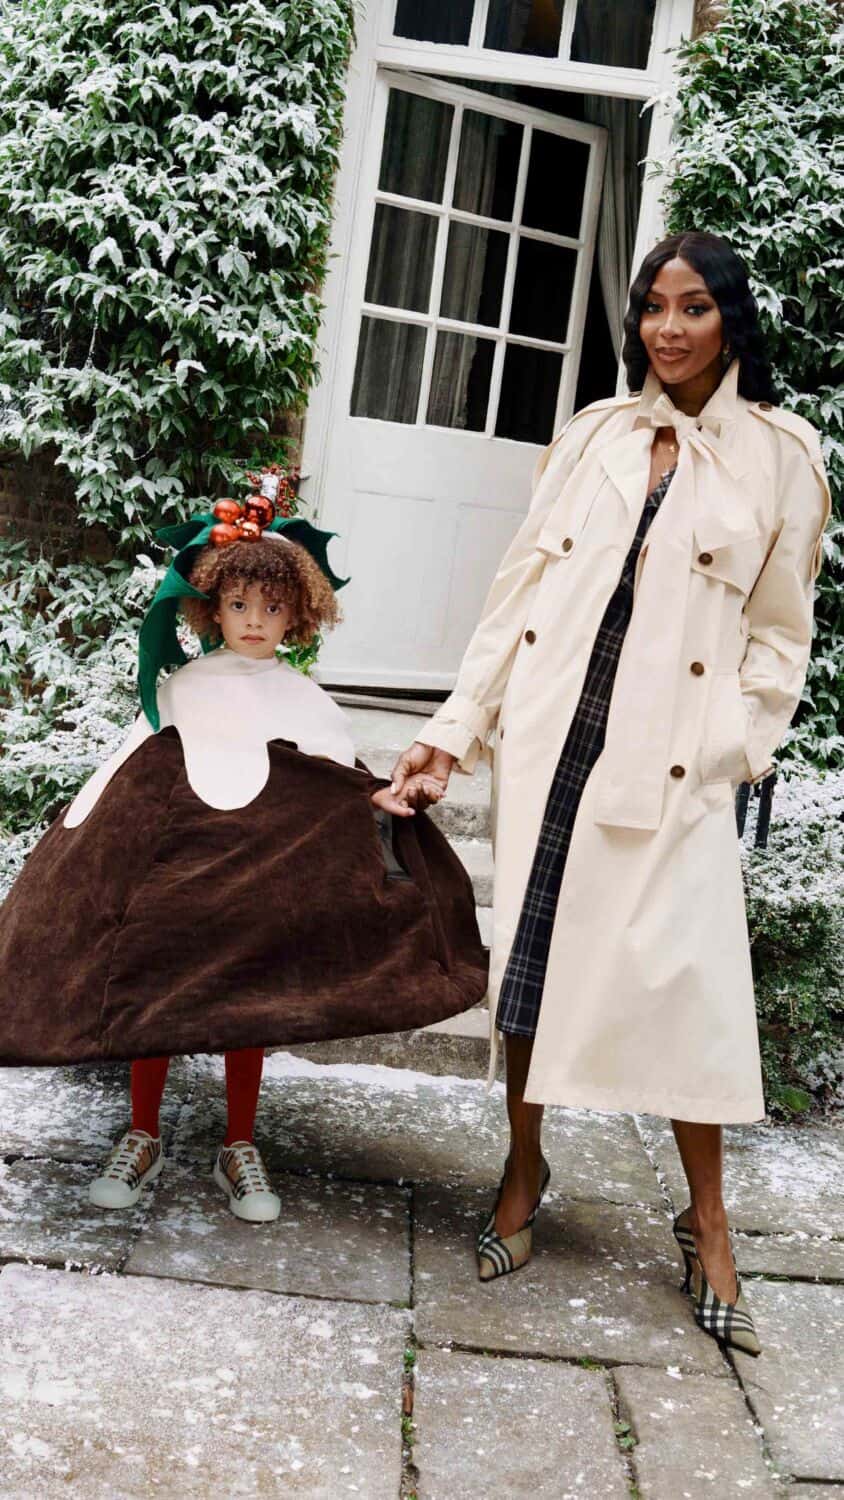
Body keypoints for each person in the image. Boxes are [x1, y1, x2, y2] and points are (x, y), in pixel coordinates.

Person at [391, 232, 830, 1355]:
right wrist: (452, 734)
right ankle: (522, 1170)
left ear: (730, 320)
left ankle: (709, 1222)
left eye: (693, 307)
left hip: (673, 758)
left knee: (690, 993)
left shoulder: (781, 456)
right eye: (652, 307)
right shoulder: (593, 435)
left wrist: (731, 745)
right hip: (558, 735)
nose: (668, 328)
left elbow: (781, 633)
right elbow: (519, 594)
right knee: (531, 974)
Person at [0, 498, 487, 1221]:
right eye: (237, 604)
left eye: (271, 606)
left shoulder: (306, 700)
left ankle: (238, 1143)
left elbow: (333, 781)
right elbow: (135, 776)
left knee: (250, 1001)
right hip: (183, 882)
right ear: (212, 610)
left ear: (298, 615)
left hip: (261, 888)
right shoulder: (181, 687)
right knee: (153, 990)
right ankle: (143, 1133)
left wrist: (375, 801)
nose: (254, 619)